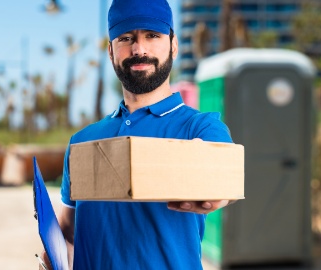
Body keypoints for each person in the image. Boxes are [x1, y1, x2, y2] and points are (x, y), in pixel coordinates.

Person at [40, 0, 236, 268]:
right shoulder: (82, 142)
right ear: (111, 51)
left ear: (174, 45)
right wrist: (53, 255)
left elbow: (225, 176)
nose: (139, 49)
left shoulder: (200, 128)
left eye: (152, 35)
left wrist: (214, 187)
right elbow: (69, 234)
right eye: (126, 38)